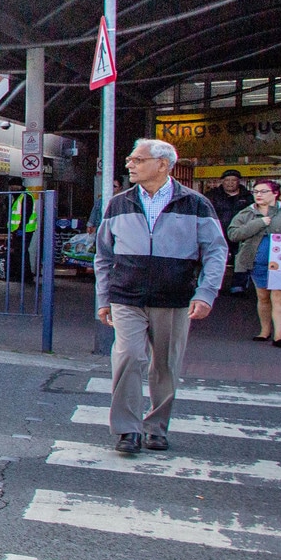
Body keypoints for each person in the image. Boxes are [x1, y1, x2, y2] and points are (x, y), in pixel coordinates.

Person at [93, 138, 224, 456]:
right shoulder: (119, 203)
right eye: (130, 159)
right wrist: (103, 298)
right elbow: (103, 254)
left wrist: (205, 293)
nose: (130, 164)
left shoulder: (195, 204)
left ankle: (156, 428)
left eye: (137, 159)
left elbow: (216, 250)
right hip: (127, 296)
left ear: (163, 165)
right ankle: (127, 430)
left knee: (165, 365)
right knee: (127, 359)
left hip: (174, 298)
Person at [227, 179, 281, 347]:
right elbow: (233, 234)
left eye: (263, 191)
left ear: (275, 193)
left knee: (280, 296)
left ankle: (279, 336)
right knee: (263, 296)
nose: (258, 195)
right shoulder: (247, 213)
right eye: (256, 192)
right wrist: (258, 223)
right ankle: (265, 331)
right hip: (256, 261)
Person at [204, 170, 250, 294]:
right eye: (227, 180)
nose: (230, 183)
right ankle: (212, 286)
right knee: (215, 259)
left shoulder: (248, 197)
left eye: (233, 180)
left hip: (240, 234)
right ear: (222, 182)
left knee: (241, 260)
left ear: (238, 182)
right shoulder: (212, 195)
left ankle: (238, 286)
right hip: (217, 233)